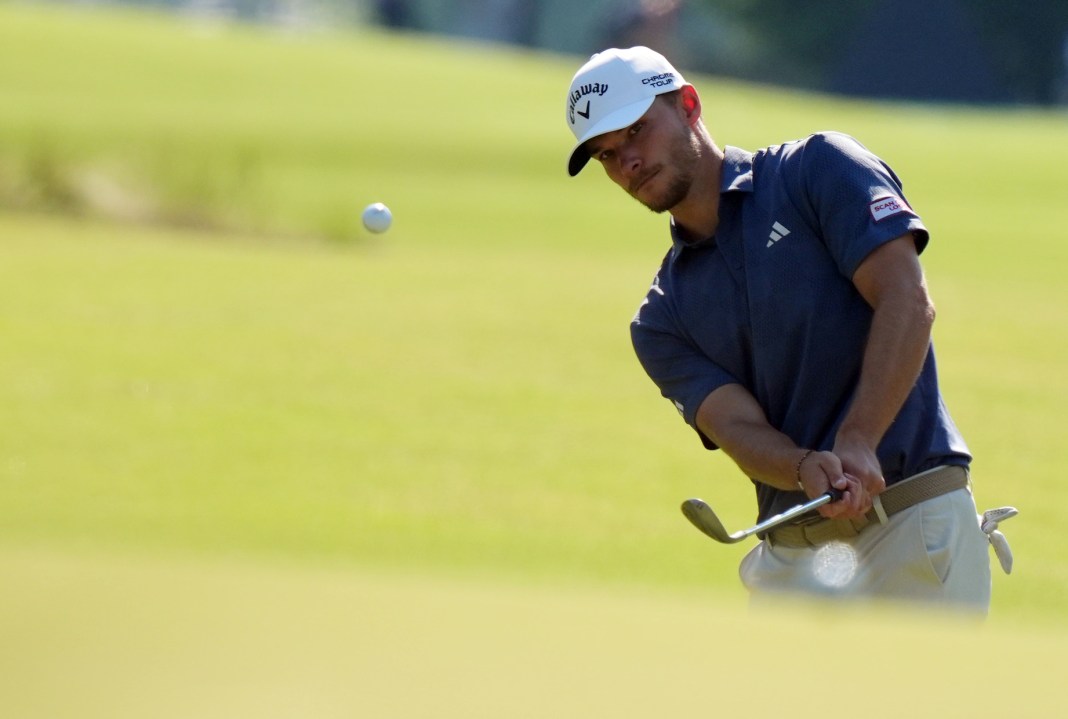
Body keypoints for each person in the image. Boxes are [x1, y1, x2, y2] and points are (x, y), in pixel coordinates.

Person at [563, 46, 1002, 611]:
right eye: (606, 153)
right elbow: (736, 426)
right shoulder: (660, 318)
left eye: (636, 131)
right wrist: (800, 466)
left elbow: (906, 299)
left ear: (688, 105)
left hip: (910, 523)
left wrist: (859, 438)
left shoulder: (818, 170)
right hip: (792, 559)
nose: (627, 161)